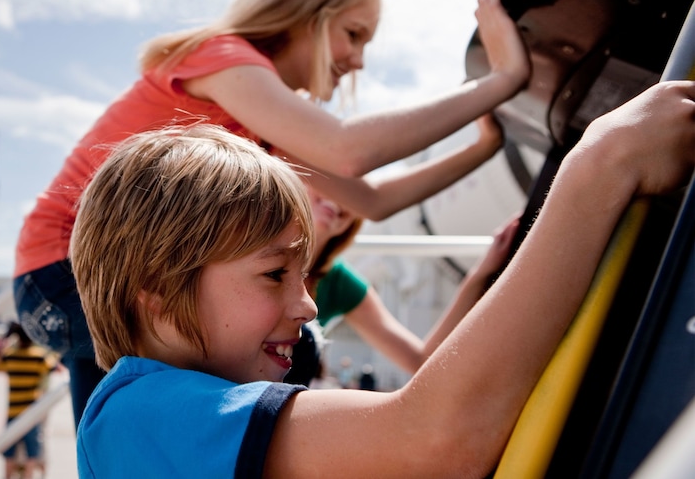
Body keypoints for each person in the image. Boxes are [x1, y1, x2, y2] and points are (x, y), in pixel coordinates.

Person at [14, 0, 530, 428]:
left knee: (286, 351)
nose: (359, 61)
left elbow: (372, 198)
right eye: (353, 34)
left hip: (132, 272)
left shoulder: (263, 121)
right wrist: (501, 79)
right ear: (309, 14)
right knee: (141, 424)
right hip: (69, 273)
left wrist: (483, 147)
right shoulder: (222, 58)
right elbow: (349, 151)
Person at [70, 83, 695, 477]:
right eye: (274, 274)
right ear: (152, 294)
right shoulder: (141, 415)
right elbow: (435, 440)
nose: (308, 306)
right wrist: (598, 168)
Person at [283, 185, 520, 386]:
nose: (338, 195)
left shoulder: (340, 282)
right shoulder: (254, 244)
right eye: (329, 181)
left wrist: (479, 275)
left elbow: (419, 359)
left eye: (350, 190)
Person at [0, 322, 57, 479]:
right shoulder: (38, 356)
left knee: (9, 452)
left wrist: (6, 342)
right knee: (32, 452)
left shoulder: (10, 355)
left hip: (13, 411)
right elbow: (53, 367)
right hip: (31, 412)